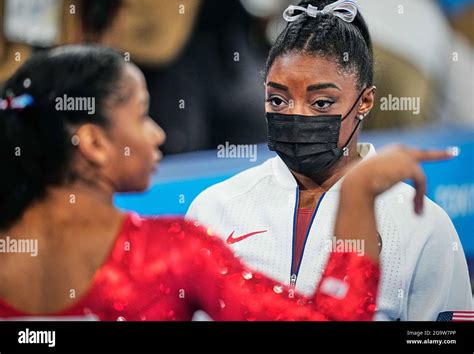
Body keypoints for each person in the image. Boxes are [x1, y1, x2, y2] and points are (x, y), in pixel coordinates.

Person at [0, 44, 391, 321]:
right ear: (94, 143)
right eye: (141, 116)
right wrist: (357, 195)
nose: (157, 135)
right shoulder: (170, 253)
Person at [186, 0, 473, 320]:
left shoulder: (420, 225)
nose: (296, 115)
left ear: (365, 101)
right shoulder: (216, 208)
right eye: (278, 100)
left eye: (321, 102)